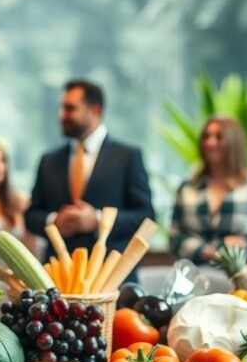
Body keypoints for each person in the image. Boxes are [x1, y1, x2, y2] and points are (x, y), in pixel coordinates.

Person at [25, 79, 154, 259]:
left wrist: (98, 221)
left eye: (70, 108)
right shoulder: (49, 160)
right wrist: (54, 221)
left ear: (95, 110)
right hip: (58, 274)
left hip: (110, 274)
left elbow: (145, 215)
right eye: (61, 108)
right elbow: (31, 216)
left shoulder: (127, 156)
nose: (61, 115)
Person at [169, 115, 247, 268]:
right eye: (206, 136)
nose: (210, 142)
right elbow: (174, 240)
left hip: (242, 279)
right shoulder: (188, 187)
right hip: (195, 278)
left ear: (234, 142)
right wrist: (215, 249)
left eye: (219, 137)